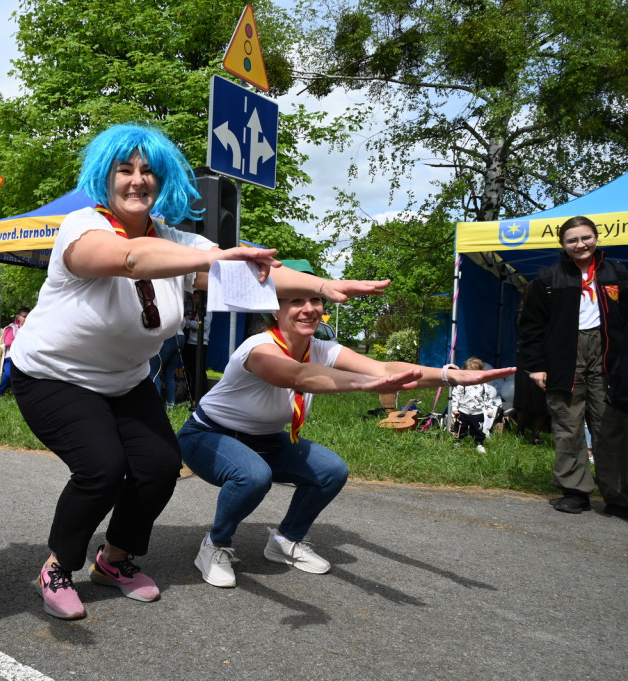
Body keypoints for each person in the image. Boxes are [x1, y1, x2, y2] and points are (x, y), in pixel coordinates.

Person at [9, 122, 391, 620]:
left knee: (159, 466)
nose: (137, 180)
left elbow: (260, 277)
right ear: (106, 177)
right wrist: (211, 257)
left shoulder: (177, 241)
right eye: (125, 170)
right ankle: (59, 566)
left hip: (124, 382)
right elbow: (129, 257)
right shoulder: (83, 227)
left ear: (162, 180)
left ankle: (115, 560)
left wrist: (324, 284)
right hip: (52, 376)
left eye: (148, 171)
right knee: (101, 468)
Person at [178, 291, 516, 588]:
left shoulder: (321, 348)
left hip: (266, 439)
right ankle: (216, 545)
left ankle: (285, 540)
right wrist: (358, 384)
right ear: (275, 311)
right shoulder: (259, 348)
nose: (309, 309)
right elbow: (298, 376)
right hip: (208, 435)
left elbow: (383, 369)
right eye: (296, 301)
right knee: (253, 475)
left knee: (331, 470)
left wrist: (452, 375)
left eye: (315, 300)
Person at [519, 215, 628, 518]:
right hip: (564, 358)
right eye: (572, 240)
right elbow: (532, 327)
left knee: (611, 427)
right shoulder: (547, 279)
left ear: (596, 237)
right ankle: (575, 491)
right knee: (568, 426)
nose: (580, 244)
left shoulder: (616, 273)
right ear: (563, 245)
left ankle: (618, 497)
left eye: (586, 238)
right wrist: (536, 366)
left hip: (608, 358)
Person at [450, 357, 500, 453]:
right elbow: (456, 395)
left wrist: (489, 410)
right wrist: (455, 408)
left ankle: (479, 443)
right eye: (469, 372)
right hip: (463, 411)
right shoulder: (462, 384)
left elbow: (487, 399)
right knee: (460, 428)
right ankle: (458, 441)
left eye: (475, 372)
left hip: (477, 413)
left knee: (478, 430)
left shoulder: (484, 385)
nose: (472, 375)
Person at [182, 290, 212, 403]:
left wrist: (188, 322)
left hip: (200, 343)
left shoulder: (207, 308)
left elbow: (203, 324)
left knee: (198, 370)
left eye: (197, 294)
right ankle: (190, 395)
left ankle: (202, 396)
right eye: (193, 294)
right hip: (188, 341)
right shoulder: (188, 306)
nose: (194, 296)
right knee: (189, 369)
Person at [0, 307, 29, 396]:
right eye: (24, 316)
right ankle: (1, 390)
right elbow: (7, 342)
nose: (26, 319)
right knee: (8, 374)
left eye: (28, 316)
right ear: (18, 317)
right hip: (11, 357)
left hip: (26, 357)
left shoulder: (31, 329)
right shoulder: (12, 328)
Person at [150, 327, 185, 408]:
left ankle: (155, 406)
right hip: (180, 336)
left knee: (153, 371)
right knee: (169, 374)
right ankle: (170, 405)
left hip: (168, 336)